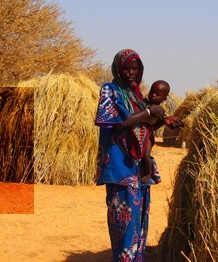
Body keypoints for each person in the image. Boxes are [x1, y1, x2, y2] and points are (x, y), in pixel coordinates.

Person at [94, 49, 165, 261]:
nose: (130, 72)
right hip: (119, 167)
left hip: (138, 169)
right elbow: (118, 124)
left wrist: (161, 118)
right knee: (123, 230)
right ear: (118, 68)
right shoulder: (110, 90)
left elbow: (144, 124)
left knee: (139, 227)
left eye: (135, 68)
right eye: (126, 68)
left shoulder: (135, 94)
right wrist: (150, 112)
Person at [139, 80, 183, 185]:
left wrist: (164, 120)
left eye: (157, 94)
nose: (153, 95)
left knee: (146, 155)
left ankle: (149, 173)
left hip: (148, 137)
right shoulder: (143, 103)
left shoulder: (160, 112)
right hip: (140, 134)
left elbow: (156, 124)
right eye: (152, 92)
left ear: (164, 98)